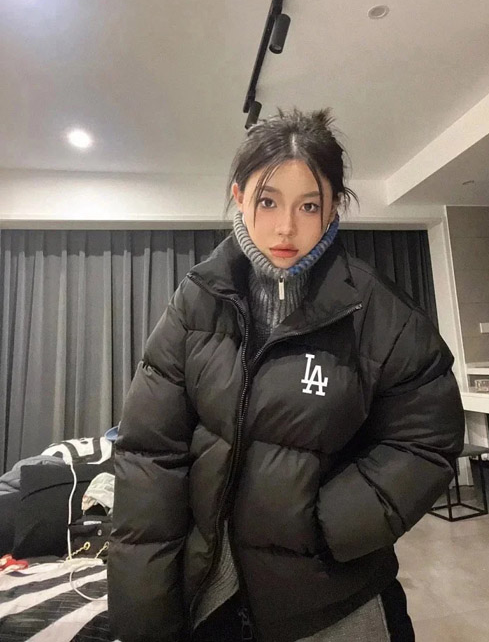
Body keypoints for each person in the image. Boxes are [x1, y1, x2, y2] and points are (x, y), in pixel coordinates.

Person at [108, 108, 465, 642]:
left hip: (335, 601)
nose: (285, 228)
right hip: (212, 592)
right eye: (268, 201)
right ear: (239, 196)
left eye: (309, 206)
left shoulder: (378, 310)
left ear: (333, 207)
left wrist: (330, 523)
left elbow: (427, 438)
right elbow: (151, 455)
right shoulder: (196, 302)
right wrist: (144, 615)